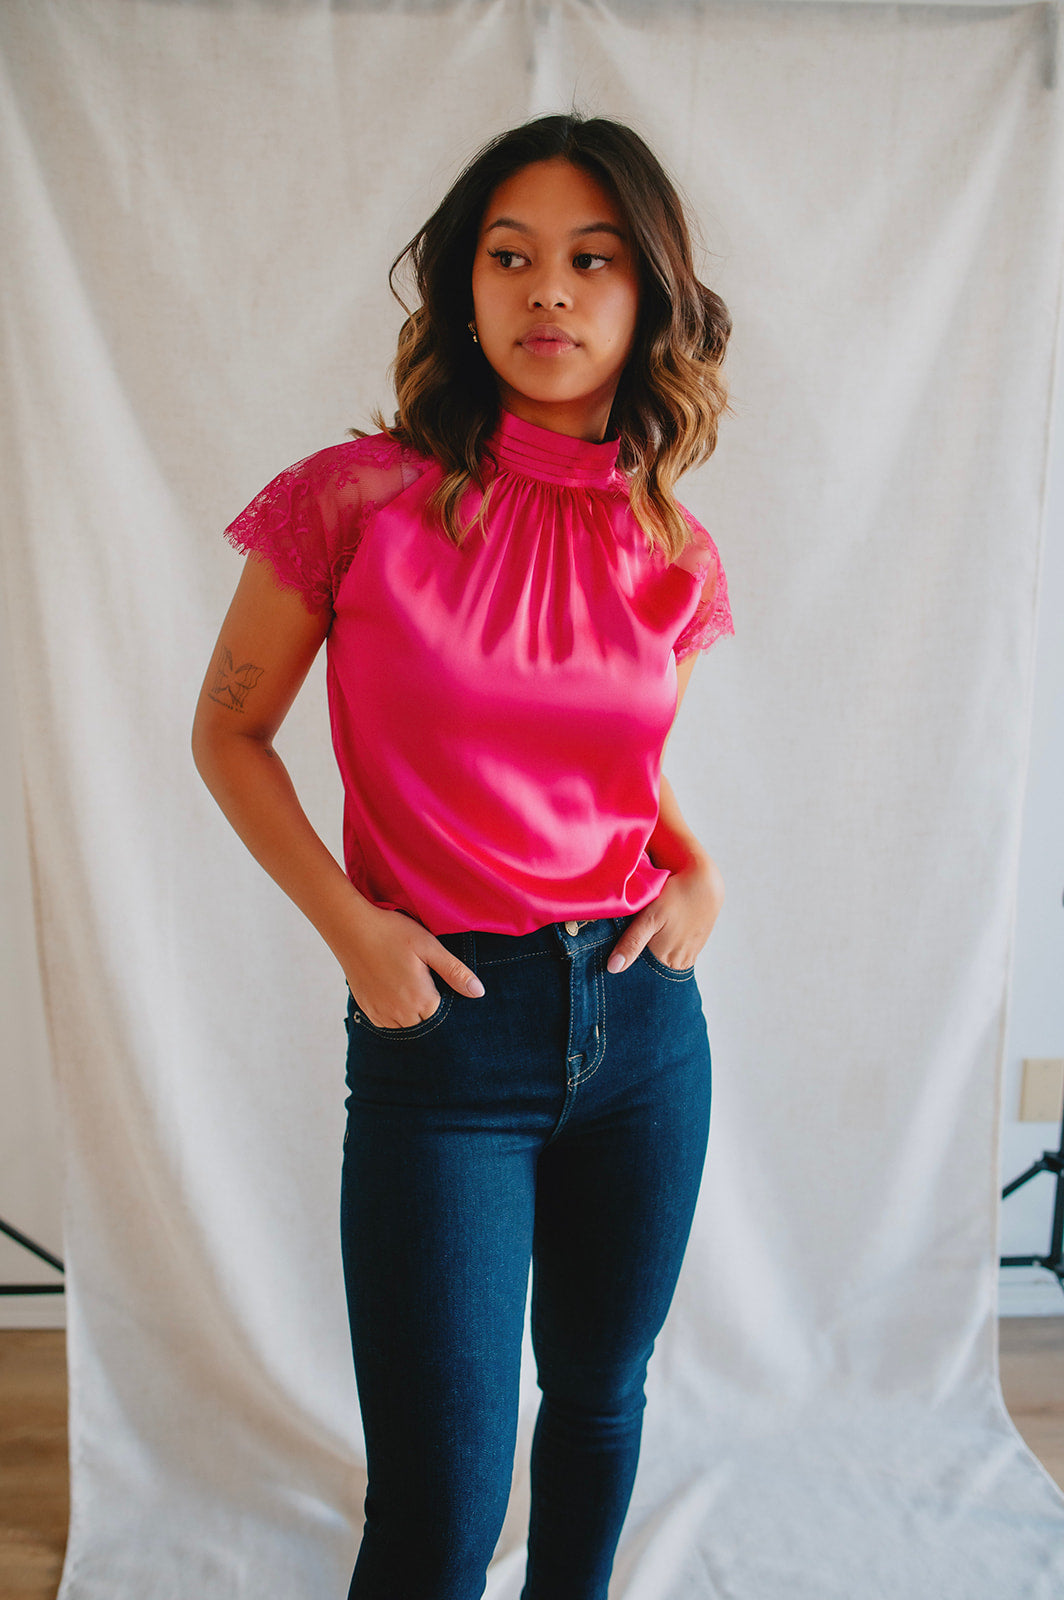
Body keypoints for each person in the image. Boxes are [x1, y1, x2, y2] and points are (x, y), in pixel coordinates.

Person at [191, 111, 734, 1600]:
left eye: (592, 259)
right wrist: (354, 933)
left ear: (650, 294)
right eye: (510, 257)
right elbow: (229, 734)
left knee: (602, 1403)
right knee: (439, 1506)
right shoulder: (352, 500)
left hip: (643, 1033)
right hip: (446, 1041)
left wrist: (698, 871)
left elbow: (618, 768)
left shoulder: (673, 548)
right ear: (464, 286)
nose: (548, 290)